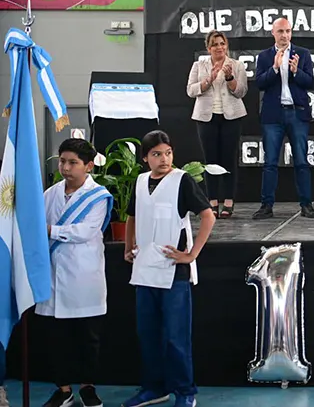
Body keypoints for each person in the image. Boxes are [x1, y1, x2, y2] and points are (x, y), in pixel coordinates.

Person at [122, 131, 215, 407]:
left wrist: (192, 254)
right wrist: (129, 247)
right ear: (145, 158)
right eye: (156, 154)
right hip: (144, 269)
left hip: (174, 270)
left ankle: (185, 391)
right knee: (148, 335)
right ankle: (153, 387)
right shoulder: (140, 182)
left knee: (176, 337)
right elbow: (131, 216)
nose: (164, 159)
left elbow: (207, 216)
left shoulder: (181, 180)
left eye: (168, 153)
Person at [37, 139, 113, 407]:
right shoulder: (50, 194)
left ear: (88, 166)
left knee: (87, 340)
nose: (65, 168)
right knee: (56, 339)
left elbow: (86, 232)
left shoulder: (99, 196)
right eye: (62, 161)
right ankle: (63, 389)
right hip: (53, 277)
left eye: (72, 163)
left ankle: (88, 388)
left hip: (83, 278)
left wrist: (49, 231)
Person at [252, 17, 314, 219]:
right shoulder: (264, 56)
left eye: (288, 31)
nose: (285, 35)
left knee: (301, 161)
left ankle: (306, 205)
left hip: (297, 113)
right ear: (273, 33)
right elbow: (260, 84)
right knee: (270, 162)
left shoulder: (303, 54)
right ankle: (266, 206)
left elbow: (310, 82)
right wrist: (274, 68)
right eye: (280, 31)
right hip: (273, 114)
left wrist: (295, 71)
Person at [187, 30, 248, 218]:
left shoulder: (236, 65)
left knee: (229, 159)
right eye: (215, 44)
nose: (219, 47)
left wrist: (229, 79)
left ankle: (228, 202)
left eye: (222, 43)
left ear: (226, 45)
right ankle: (212, 202)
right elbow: (190, 90)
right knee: (210, 161)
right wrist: (208, 80)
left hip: (231, 117)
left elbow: (242, 92)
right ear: (208, 48)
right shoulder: (199, 65)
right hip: (207, 117)